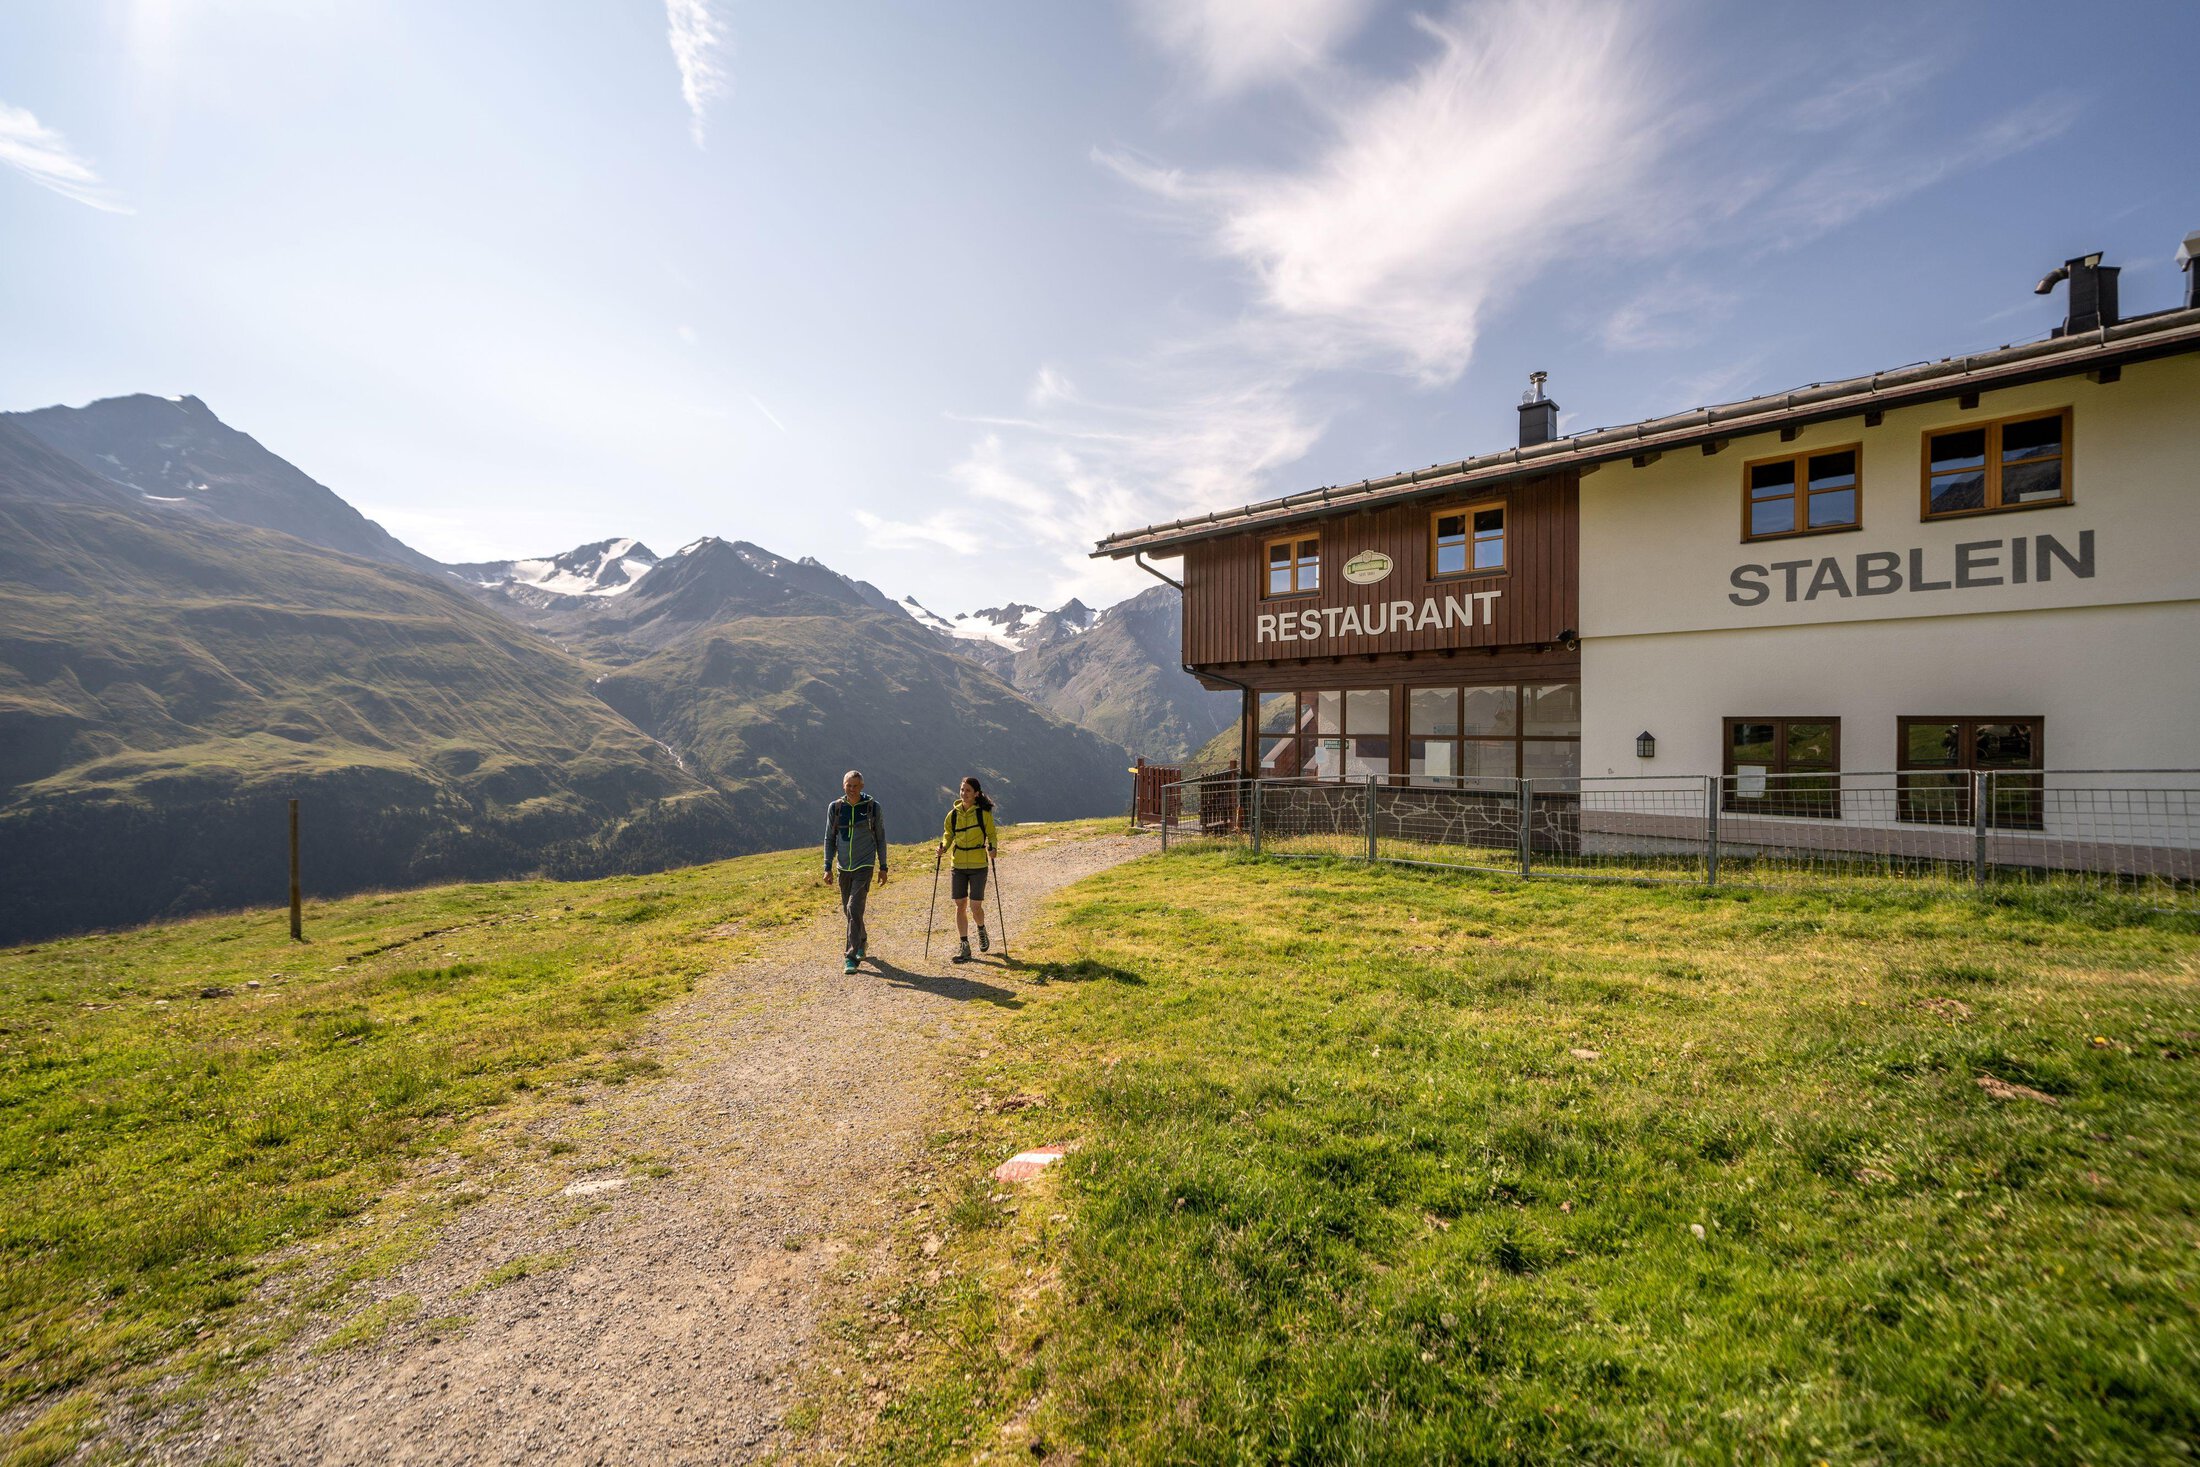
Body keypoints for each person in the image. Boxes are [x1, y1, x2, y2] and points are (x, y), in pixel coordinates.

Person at [822, 770, 887, 974]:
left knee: (853, 907)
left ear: (862, 786)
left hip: (864, 865)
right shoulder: (835, 808)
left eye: (855, 786)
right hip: (843, 867)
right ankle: (862, 940)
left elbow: (881, 838)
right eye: (848, 785)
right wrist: (827, 867)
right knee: (849, 911)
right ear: (843, 785)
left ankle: (850, 958)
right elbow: (829, 838)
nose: (852, 789)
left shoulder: (872, 808)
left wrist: (883, 866)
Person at [938, 775, 998, 964]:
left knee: (975, 906)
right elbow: (948, 834)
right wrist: (943, 847)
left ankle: (981, 929)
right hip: (958, 865)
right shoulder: (953, 815)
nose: (964, 793)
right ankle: (964, 945)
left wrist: (993, 848)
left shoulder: (983, 814)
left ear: (976, 794)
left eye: (968, 790)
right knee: (960, 904)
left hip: (978, 865)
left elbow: (991, 834)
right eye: (962, 789)